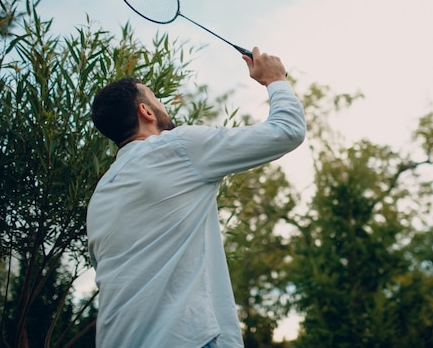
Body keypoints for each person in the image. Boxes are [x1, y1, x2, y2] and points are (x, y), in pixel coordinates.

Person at [87, 47, 306, 348]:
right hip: (186, 338)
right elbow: (287, 131)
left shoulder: (101, 194)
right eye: (156, 99)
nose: (164, 107)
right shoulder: (176, 148)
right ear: (146, 112)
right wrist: (275, 80)